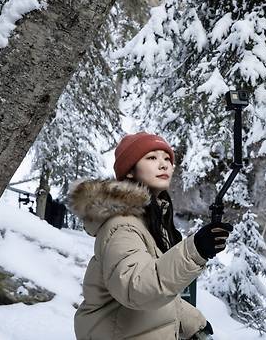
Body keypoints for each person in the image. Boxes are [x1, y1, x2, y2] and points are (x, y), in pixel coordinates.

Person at [69, 132, 233, 339]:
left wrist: (191, 322)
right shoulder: (123, 224)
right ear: (129, 171)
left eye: (167, 159)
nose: (164, 165)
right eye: (152, 158)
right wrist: (195, 250)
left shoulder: (151, 222)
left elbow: (157, 286)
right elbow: (136, 288)